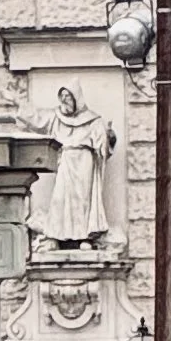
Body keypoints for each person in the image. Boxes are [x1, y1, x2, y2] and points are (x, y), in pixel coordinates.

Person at [41, 85, 119, 246]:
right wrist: (18, 108)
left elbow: (103, 145)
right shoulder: (56, 118)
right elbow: (37, 120)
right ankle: (56, 236)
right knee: (60, 198)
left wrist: (108, 136)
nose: (64, 100)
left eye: (68, 96)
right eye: (61, 96)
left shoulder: (93, 120)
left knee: (83, 199)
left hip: (84, 161)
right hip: (66, 159)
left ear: (77, 98)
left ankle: (85, 237)